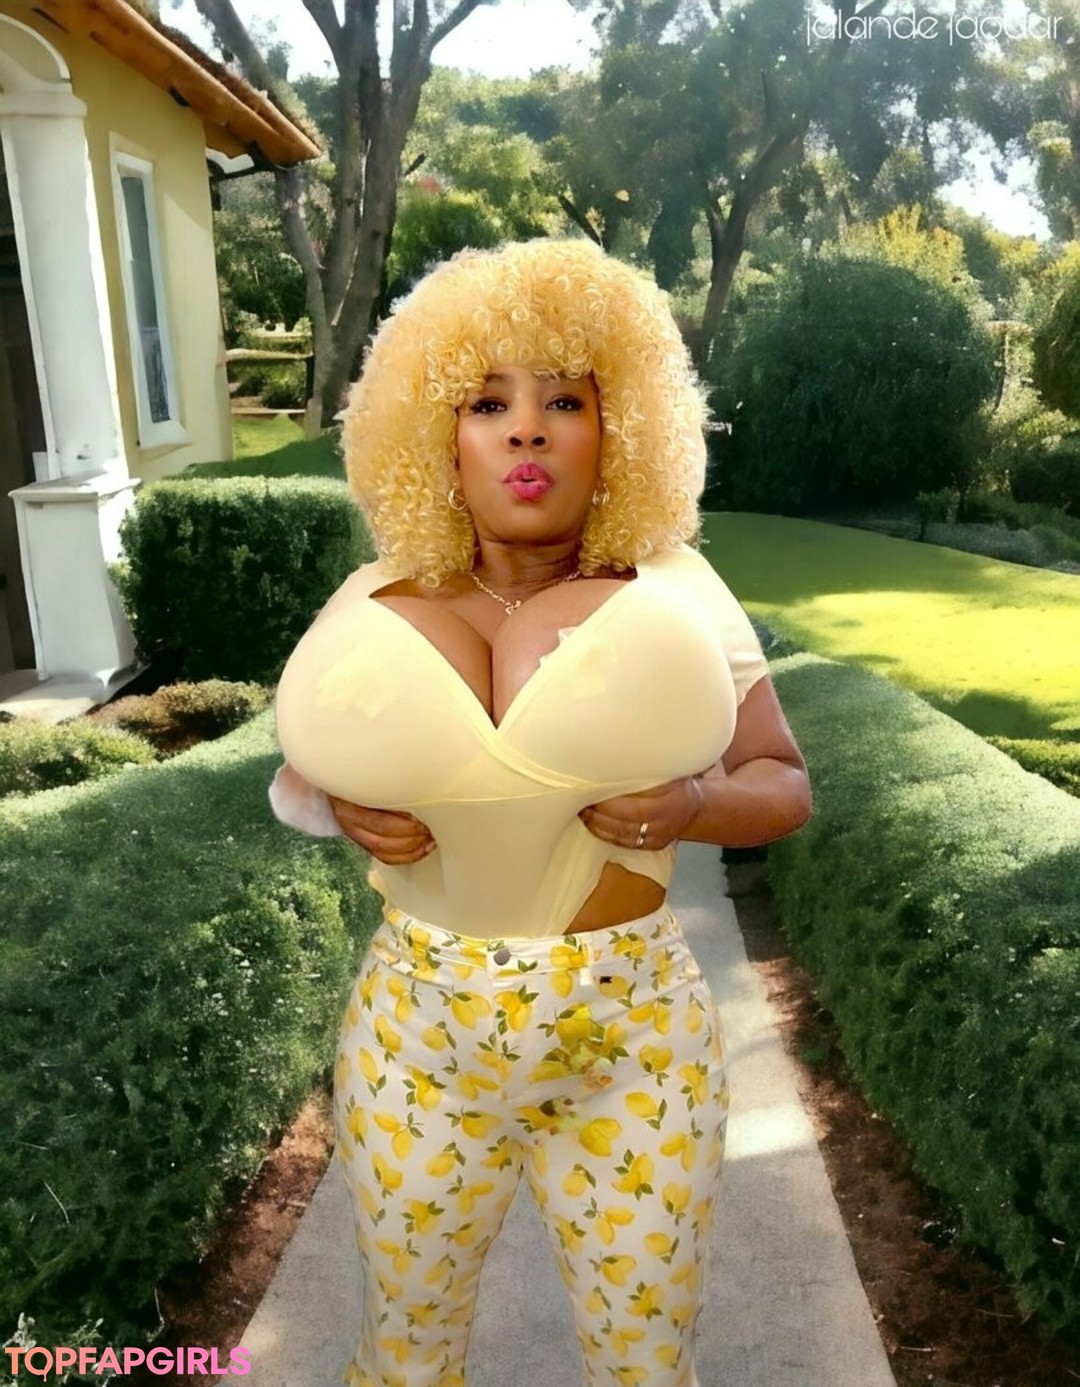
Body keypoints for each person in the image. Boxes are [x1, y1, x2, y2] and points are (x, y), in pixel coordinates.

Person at [270, 237, 811, 1387]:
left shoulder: (676, 591)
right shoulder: (373, 597)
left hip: (632, 1037)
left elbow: (784, 783)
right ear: (436, 434)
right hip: (418, 1036)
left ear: (621, 431)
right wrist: (340, 803)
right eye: (487, 403)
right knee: (404, 1352)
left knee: (644, 1363)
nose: (526, 431)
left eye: (564, 400)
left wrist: (695, 800)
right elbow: (305, 762)